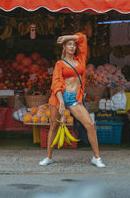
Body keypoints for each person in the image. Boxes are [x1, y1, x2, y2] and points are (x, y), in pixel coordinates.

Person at [39, 32, 105, 167]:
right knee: (54, 127)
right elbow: (56, 83)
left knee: (90, 126)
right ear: (64, 47)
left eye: (74, 45)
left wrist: (67, 37)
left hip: (75, 98)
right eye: (69, 44)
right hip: (60, 98)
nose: (72, 47)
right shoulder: (59, 64)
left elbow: (83, 38)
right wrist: (61, 102)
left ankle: (96, 158)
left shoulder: (80, 59)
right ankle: (49, 156)